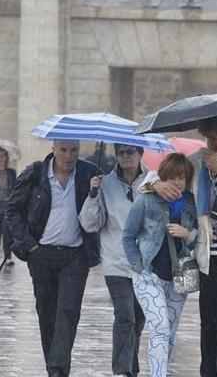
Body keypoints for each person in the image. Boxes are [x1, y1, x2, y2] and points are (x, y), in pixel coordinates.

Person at [142, 115, 217, 377]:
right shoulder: (198, 160)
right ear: (205, 137)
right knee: (210, 322)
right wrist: (157, 183)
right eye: (214, 140)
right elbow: (161, 174)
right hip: (208, 255)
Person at [5, 140, 101, 377]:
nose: (68, 156)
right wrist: (29, 244)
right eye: (63, 150)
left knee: (68, 312)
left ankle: (58, 370)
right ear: (54, 149)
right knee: (47, 314)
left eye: (74, 150)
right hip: (42, 254)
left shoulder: (90, 173)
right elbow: (12, 209)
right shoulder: (35, 174)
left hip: (75, 255)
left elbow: (100, 210)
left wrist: (95, 191)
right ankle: (54, 367)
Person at [122, 153, 198, 377]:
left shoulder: (192, 205)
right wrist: (138, 266)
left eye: (182, 177)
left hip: (178, 280)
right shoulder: (146, 201)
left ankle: (160, 370)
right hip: (149, 276)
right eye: (172, 177)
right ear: (162, 177)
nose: (177, 182)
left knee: (170, 334)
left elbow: (201, 237)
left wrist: (188, 234)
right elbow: (128, 236)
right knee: (160, 327)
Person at [79, 144, 148, 377]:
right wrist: (93, 194)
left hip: (146, 264)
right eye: (121, 153)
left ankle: (131, 367)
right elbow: (90, 223)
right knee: (125, 316)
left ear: (141, 154)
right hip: (115, 261)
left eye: (131, 152)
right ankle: (121, 371)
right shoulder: (104, 183)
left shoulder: (153, 182)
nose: (126, 157)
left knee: (138, 320)